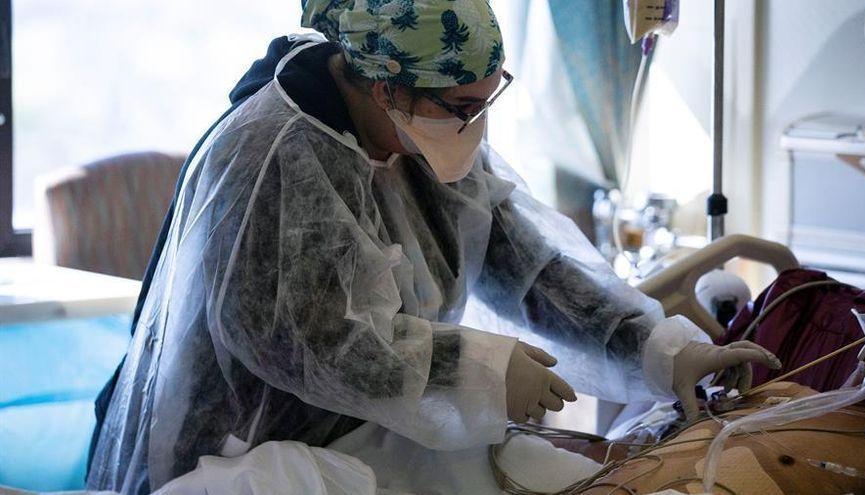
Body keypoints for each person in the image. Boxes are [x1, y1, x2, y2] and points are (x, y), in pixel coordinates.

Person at [86, 1, 780, 493]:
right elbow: (318, 342)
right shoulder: (271, 159)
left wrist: (660, 348)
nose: (475, 126)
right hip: (240, 462)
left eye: (487, 100)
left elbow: (531, 271)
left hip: (362, 442)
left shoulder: (422, 134)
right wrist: (475, 367)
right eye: (461, 106)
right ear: (386, 85)